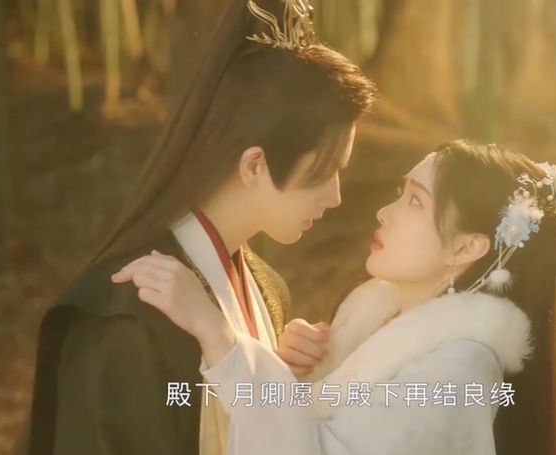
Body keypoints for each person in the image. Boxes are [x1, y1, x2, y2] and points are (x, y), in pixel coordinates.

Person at [23, 0, 376, 454]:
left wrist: (279, 375)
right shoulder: (126, 317)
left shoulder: (269, 292)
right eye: (322, 172)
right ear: (254, 165)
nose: (336, 196)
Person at [114, 139, 556, 454]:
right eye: (400, 193)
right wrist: (293, 371)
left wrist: (219, 335)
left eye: (415, 201)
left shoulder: (455, 374)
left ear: (466, 248)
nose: (385, 212)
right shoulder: (377, 328)